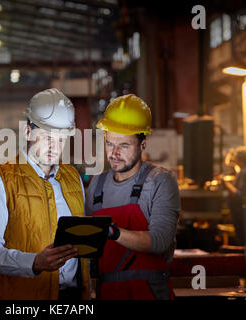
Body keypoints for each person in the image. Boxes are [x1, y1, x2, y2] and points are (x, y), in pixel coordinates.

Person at [0, 88, 90, 300]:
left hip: (73, 297)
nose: (53, 147)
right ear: (28, 132)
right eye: (46, 136)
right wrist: (34, 262)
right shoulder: (0, 181)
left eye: (61, 139)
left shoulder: (72, 178)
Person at [85, 94, 180, 300]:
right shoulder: (96, 184)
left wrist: (112, 232)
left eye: (124, 146)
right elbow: (90, 248)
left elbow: (160, 241)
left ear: (143, 144)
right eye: (110, 144)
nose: (114, 153)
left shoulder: (160, 182)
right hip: (107, 293)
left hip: (149, 293)